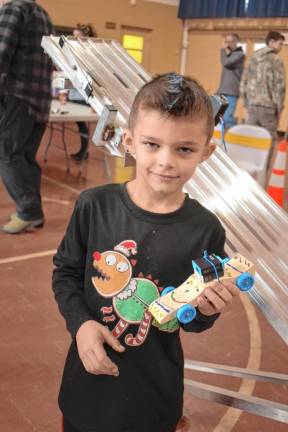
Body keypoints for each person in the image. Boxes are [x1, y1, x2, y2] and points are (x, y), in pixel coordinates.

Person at [52, 73, 241, 432]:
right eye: (152, 144)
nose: (166, 160)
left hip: (154, 397)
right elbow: (65, 273)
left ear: (206, 152)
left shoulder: (206, 229)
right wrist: (81, 324)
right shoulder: (94, 206)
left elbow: (195, 319)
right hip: (86, 390)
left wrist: (205, 310)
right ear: (129, 142)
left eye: (184, 149)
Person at [0, 0, 54, 234]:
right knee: (25, 157)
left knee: (7, 152)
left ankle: (28, 210)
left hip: (17, 95)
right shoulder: (43, 15)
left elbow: (1, 50)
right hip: (40, 98)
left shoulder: (14, 9)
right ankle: (34, 213)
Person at [240, 31, 286, 170]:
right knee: (268, 141)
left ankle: (247, 169)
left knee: (250, 139)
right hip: (268, 107)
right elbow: (279, 87)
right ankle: (262, 171)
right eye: (280, 43)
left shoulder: (253, 57)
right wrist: (279, 108)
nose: (281, 47)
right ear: (271, 42)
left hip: (252, 106)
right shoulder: (276, 60)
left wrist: (246, 103)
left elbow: (244, 81)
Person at [69, 24, 97, 162]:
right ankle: (83, 150)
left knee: (82, 122)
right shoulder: (73, 50)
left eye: (78, 36)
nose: (74, 38)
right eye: (73, 35)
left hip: (84, 92)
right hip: (75, 89)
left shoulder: (90, 52)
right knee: (80, 123)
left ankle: (84, 151)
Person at [217, 33, 245, 130]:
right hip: (223, 90)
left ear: (236, 42)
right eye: (226, 41)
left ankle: (234, 138)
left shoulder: (239, 54)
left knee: (228, 118)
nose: (228, 44)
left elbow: (226, 62)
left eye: (230, 41)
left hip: (232, 91)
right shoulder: (230, 54)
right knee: (219, 117)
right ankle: (222, 142)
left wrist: (222, 50)